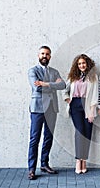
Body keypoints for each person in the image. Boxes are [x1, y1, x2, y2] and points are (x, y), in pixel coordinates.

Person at [27, 45, 66, 180]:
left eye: (47, 54)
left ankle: (44, 164)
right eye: (42, 53)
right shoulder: (33, 71)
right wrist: (52, 84)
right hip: (37, 108)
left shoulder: (54, 71)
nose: (45, 56)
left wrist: (45, 84)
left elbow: (63, 85)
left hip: (52, 109)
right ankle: (31, 169)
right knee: (34, 139)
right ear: (39, 55)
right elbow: (36, 88)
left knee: (48, 138)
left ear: (50, 56)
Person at [63, 54, 98, 174]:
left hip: (88, 105)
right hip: (76, 105)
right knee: (79, 132)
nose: (82, 65)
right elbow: (65, 89)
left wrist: (92, 111)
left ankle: (84, 160)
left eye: (83, 63)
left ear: (87, 64)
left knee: (87, 132)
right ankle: (78, 160)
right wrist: (68, 99)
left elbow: (95, 94)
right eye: (79, 64)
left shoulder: (93, 77)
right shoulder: (73, 77)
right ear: (76, 66)